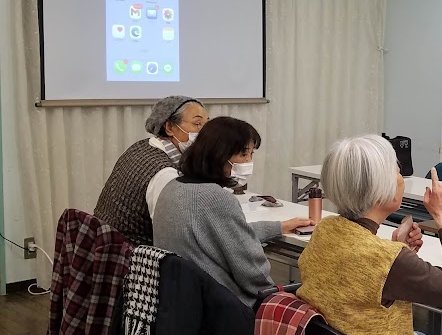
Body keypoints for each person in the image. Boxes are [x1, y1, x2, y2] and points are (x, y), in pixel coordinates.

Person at [297, 134, 442, 335]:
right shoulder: (387, 259)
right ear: (383, 188)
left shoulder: (325, 230)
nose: (402, 178)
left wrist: (396, 250)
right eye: (397, 171)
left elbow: (358, 275)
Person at [152, 116, 312, 308]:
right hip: (225, 308)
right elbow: (253, 273)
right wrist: (276, 292)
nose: (249, 161)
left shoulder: (172, 187)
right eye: (244, 154)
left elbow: (229, 234)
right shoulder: (216, 198)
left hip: (182, 302)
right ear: (220, 154)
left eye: (251, 154)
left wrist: (279, 227)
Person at [94, 96, 208, 245]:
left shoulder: (142, 146)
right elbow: (172, 236)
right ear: (169, 127)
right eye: (197, 124)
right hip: (127, 253)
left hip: (104, 242)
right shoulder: (164, 174)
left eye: (207, 125)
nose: (205, 132)